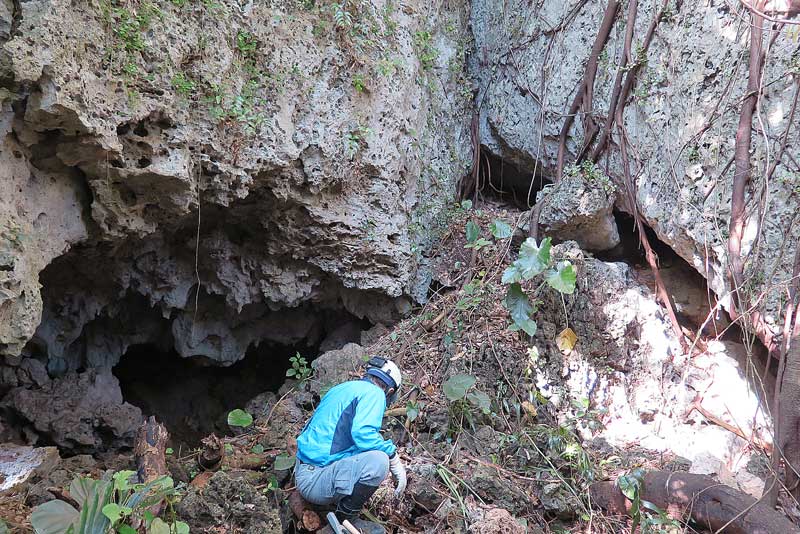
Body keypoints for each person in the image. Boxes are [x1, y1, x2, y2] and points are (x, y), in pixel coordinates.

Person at [294, 356, 407, 525]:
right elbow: (363, 434)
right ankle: (343, 520)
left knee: (372, 454)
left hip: (303, 470)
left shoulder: (342, 388)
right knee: (378, 461)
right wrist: (393, 457)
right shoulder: (375, 393)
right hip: (315, 480)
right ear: (390, 392)